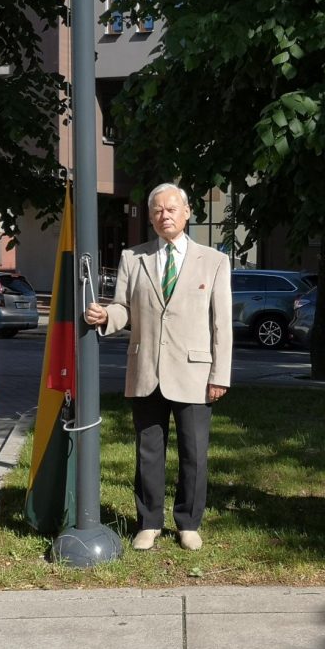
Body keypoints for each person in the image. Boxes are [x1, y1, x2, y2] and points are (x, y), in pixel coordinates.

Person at [84, 183, 232, 551]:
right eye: (157, 211)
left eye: (170, 209)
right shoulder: (133, 258)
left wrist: (221, 375)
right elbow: (123, 308)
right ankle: (149, 522)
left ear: (187, 212)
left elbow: (222, 324)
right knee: (148, 451)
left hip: (195, 374)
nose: (164, 215)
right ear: (150, 217)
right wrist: (106, 315)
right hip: (146, 369)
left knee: (193, 453)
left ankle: (188, 523)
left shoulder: (213, 261)